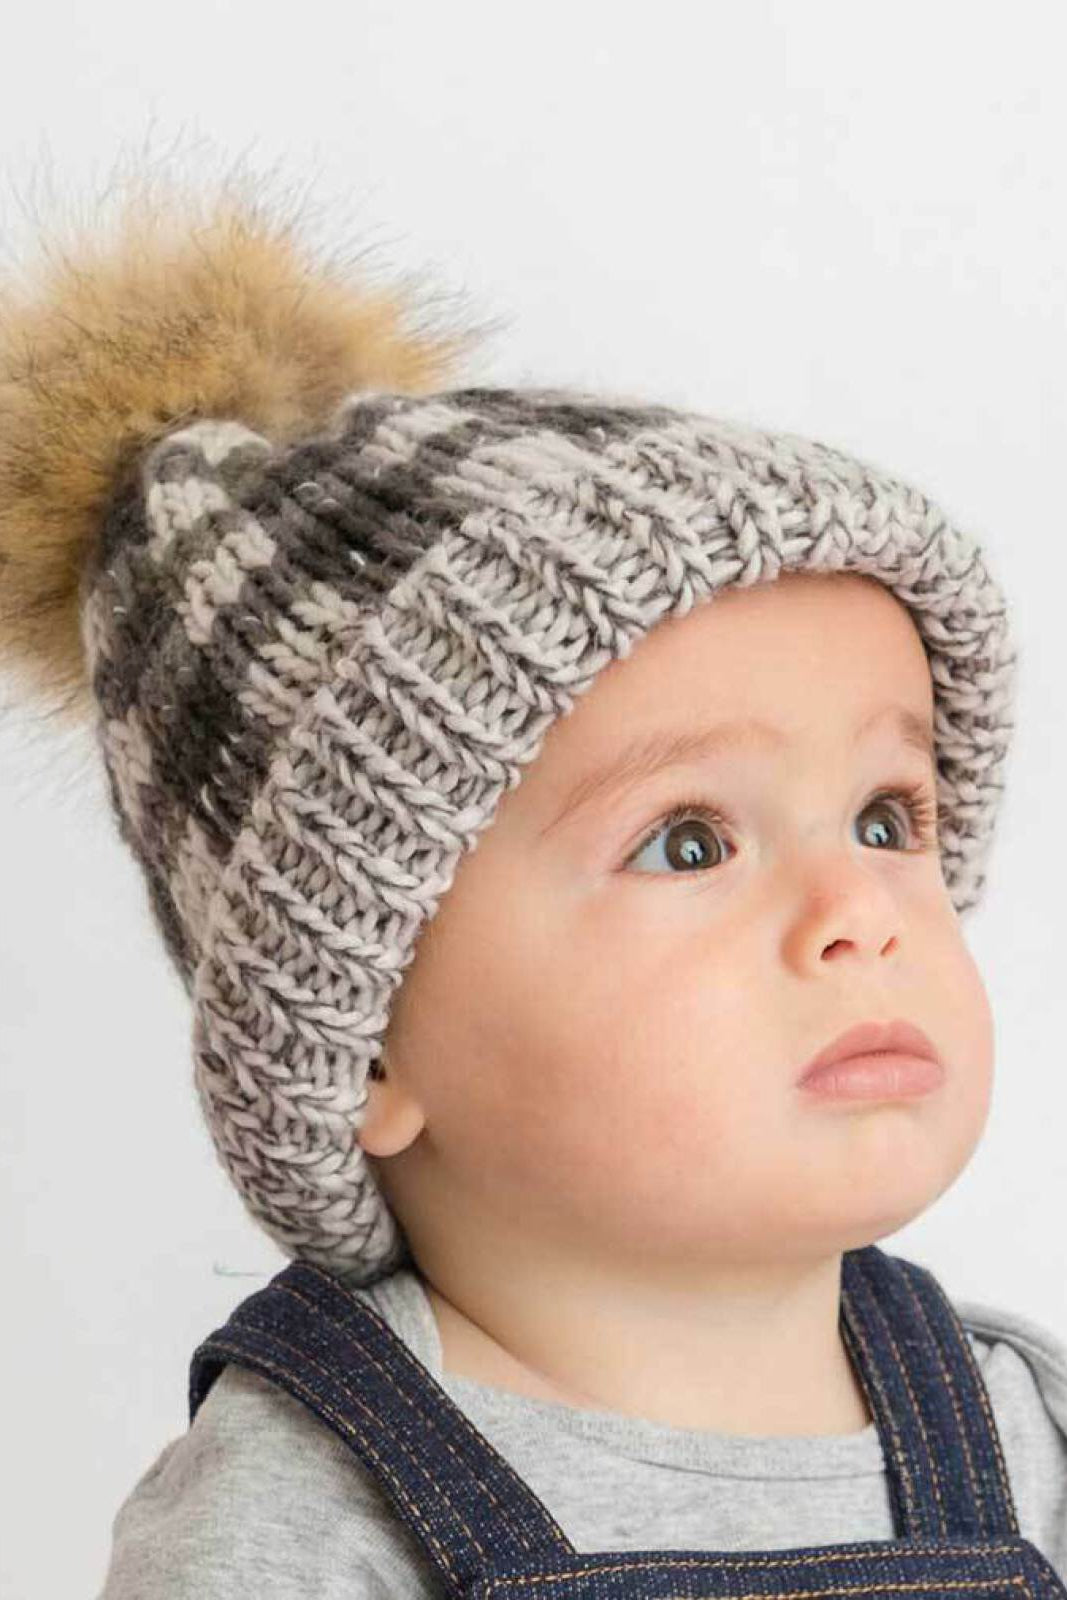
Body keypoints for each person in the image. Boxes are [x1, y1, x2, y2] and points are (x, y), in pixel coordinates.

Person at [1, 167, 1065, 1600]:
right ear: (363, 1036)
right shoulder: (300, 1525)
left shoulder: (1023, 1432)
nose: (862, 913)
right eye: (690, 840)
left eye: (887, 817)